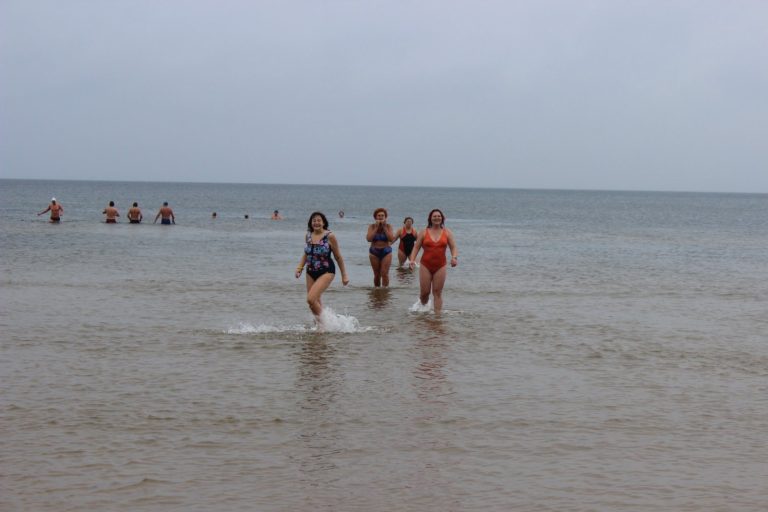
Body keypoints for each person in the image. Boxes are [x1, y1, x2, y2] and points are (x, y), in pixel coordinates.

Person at [295, 211, 349, 324]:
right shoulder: (308, 235)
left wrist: (344, 275)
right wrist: (299, 268)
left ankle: (328, 323)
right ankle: (320, 328)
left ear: (323, 223)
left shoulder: (330, 236)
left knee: (310, 299)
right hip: (310, 271)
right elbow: (306, 253)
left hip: (327, 271)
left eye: (319, 220)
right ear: (311, 223)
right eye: (314, 220)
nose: (316, 222)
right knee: (314, 302)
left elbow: (338, 257)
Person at [408, 209, 458, 315]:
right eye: (434, 216)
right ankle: (422, 307)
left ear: (442, 218)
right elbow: (416, 247)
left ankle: (437, 317)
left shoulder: (447, 232)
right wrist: (412, 260)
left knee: (437, 292)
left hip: (440, 266)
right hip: (425, 265)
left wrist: (454, 257)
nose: (437, 218)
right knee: (425, 293)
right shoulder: (424, 232)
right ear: (430, 218)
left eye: (439, 216)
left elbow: (453, 247)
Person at [366, 207, 395, 287]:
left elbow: (391, 239)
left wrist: (384, 227)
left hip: (386, 251)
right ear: (375, 217)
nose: (381, 217)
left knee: (384, 273)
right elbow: (369, 239)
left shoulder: (389, 226)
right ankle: (377, 290)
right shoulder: (371, 226)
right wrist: (376, 227)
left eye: (382, 215)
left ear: (385, 217)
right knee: (377, 274)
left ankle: (385, 291)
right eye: (379, 215)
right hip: (374, 252)